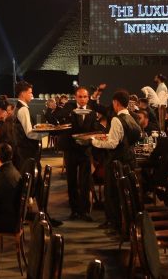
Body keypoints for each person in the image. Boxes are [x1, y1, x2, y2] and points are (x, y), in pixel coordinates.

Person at [90, 89, 142, 230]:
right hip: (129, 159)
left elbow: (112, 144)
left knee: (112, 193)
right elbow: (131, 136)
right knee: (125, 193)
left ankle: (114, 223)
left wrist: (95, 141)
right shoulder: (132, 117)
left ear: (116, 103)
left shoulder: (116, 119)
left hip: (116, 161)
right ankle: (125, 223)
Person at [58, 86, 100, 221]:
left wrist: (91, 138)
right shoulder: (69, 109)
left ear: (88, 98)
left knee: (85, 182)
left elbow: (94, 129)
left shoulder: (92, 113)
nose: (82, 99)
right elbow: (58, 119)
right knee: (71, 181)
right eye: (80, 96)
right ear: (75, 97)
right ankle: (74, 210)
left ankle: (85, 211)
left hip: (85, 151)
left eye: (85, 97)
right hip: (71, 150)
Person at [13, 81, 41, 166]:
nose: (32, 95)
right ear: (23, 93)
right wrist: (45, 133)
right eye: (30, 92)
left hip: (21, 149)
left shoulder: (18, 107)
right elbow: (29, 133)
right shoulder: (23, 109)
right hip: (27, 151)